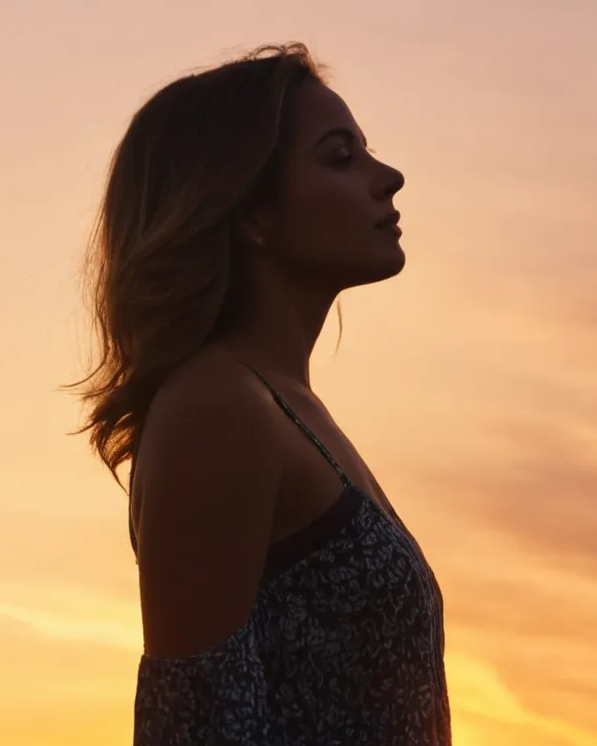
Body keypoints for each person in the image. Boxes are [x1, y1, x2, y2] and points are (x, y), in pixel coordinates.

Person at [68, 42, 450, 745]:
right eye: (340, 157)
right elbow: (197, 726)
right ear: (250, 213)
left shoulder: (284, 409)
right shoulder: (219, 409)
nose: (388, 177)